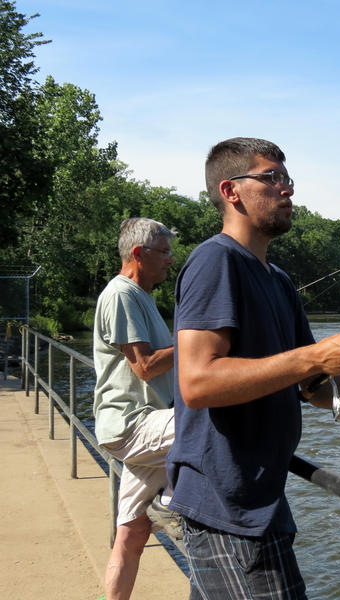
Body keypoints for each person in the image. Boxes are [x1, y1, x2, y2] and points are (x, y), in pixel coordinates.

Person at [167, 137, 340, 599]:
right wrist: (314, 357)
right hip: (227, 508)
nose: (286, 189)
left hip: (260, 501)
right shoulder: (215, 260)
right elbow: (196, 383)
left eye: (287, 179)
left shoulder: (279, 280)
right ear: (231, 191)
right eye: (272, 178)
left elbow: (312, 386)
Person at [93, 217, 181, 600]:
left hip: (150, 423)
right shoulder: (121, 294)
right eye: (164, 252)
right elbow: (144, 367)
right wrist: (198, 345)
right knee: (212, 419)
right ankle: (172, 503)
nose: (171, 260)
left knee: (130, 534)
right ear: (138, 254)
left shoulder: (142, 296)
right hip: (133, 425)